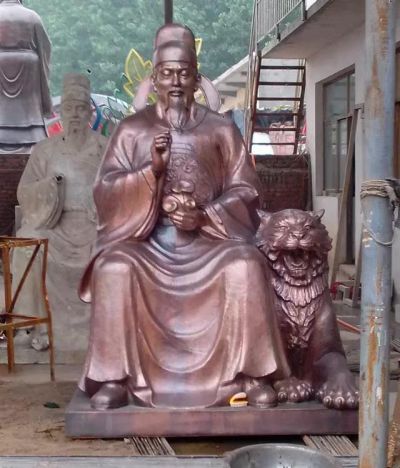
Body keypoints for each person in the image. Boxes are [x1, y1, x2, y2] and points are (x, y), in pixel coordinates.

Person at [79, 24, 290, 410]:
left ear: (196, 78)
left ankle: (251, 374)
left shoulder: (220, 129)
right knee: (113, 268)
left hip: (210, 239)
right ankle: (116, 379)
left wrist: (205, 215)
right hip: (148, 242)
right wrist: (151, 173)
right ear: (154, 78)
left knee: (246, 264)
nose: (175, 82)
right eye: (167, 73)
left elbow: (248, 190)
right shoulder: (131, 130)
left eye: (184, 73)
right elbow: (105, 191)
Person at [13, 74, 107, 357]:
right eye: (69, 108)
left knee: (118, 249)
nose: (75, 114)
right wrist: (50, 187)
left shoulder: (104, 148)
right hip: (54, 225)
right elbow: (24, 192)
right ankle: (31, 327)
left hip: (93, 225)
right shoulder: (44, 150)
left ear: (90, 113)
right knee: (27, 243)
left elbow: (119, 187)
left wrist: (101, 202)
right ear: (60, 113)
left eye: (80, 108)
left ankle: (107, 329)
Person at [0, 0, 52, 151]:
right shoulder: (32, 17)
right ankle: (33, 133)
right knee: (28, 111)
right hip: (29, 65)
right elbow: (45, 48)